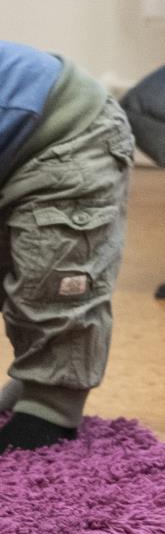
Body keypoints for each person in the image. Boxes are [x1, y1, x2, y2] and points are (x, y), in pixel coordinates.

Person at [0, 41, 132, 454]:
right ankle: (33, 379)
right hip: (16, 136)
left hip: (69, 134)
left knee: (53, 275)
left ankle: (50, 407)